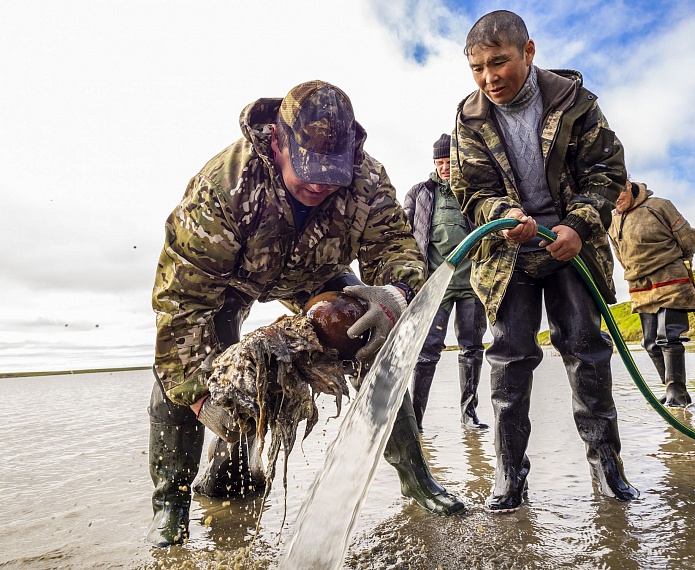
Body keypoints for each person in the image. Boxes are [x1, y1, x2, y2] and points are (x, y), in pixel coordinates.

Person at [147, 80, 464, 547]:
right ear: (277, 141)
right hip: (228, 283)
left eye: (331, 172)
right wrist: (199, 398)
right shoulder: (222, 189)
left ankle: (416, 477)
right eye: (309, 169)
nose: (319, 184)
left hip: (316, 272)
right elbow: (180, 306)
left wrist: (393, 296)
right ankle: (171, 504)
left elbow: (396, 248)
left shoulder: (366, 180)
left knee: (376, 344)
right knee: (187, 376)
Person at [450, 10, 639, 513]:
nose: (489, 78)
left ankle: (608, 471)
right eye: (477, 68)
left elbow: (607, 171)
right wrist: (501, 213)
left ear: (528, 52)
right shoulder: (467, 117)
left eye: (499, 62)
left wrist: (577, 225)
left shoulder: (577, 102)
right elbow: (469, 190)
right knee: (510, 361)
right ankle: (509, 478)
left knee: (587, 351)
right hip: (508, 256)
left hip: (570, 251)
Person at [404, 133, 488, 431]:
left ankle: (469, 413)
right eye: (439, 162)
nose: (444, 168)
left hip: (472, 285)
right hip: (435, 285)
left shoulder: (473, 192)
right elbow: (403, 234)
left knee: (472, 348)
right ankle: (417, 419)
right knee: (427, 352)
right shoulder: (420, 193)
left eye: (448, 161)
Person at [608, 179, 695, 407]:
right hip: (640, 285)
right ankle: (672, 388)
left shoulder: (660, 206)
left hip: (670, 277)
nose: (615, 200)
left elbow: (688, 238)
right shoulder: (612, 219)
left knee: (669, 335)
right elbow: (618, 250)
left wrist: (681, 259)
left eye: (619, 193)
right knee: (650, 342)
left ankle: (677, 393)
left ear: (629, 186)